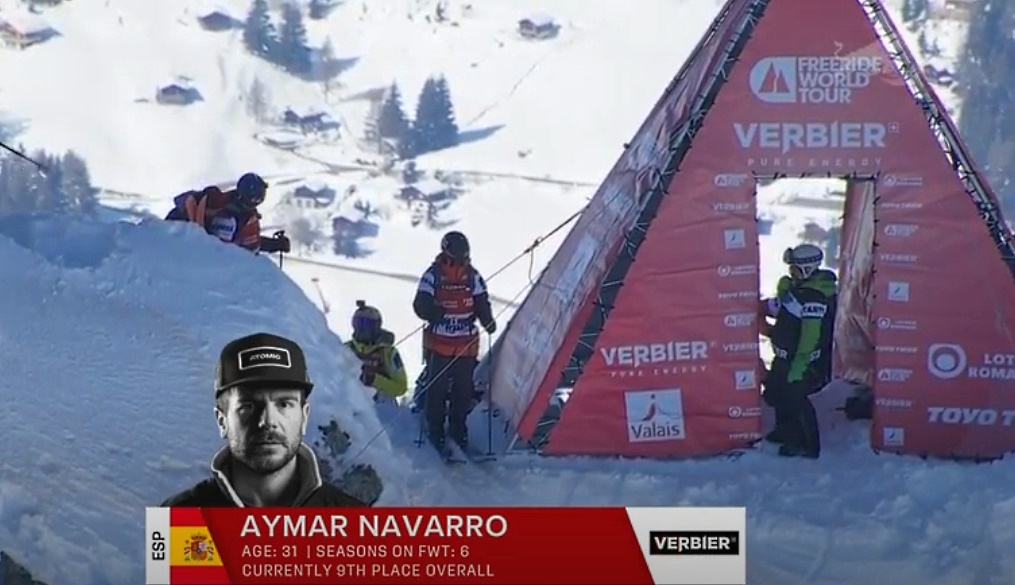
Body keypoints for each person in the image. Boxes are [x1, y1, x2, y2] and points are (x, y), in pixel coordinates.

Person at [161, 332, 367, 506]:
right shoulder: (175, 519)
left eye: (284, 404)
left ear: (304, 417)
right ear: (221, 421)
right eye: (248, 406)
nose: (267, 421)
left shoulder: (357, 524)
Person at [412, 231, 496, 457]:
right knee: (436, 390)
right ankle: (435, 427)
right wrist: (432, 312)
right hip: (438, 345)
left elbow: (481, 302)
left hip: (466, 345)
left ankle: (459, 428)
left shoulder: (473, 277)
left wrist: (487, 320)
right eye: (457, 258)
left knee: (463, 391)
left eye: (464, 258)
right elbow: (420, 304)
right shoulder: (433, 276)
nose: (461, 262)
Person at [759, 243, 838, 459]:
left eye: (794, 268)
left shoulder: (815, 297)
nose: (790, 272)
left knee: (795, 396)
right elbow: (779, 311)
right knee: (776, 392)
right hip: (784, 357)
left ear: (808, 268)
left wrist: (800, 366)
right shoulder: (794, 290)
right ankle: (785, 429)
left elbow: (810, 336)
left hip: (805, 363)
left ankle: (806, 443)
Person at [165, 172, 290, 254]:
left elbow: (249, 242)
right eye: (256, 198)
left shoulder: (231, 206)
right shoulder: (229, 216)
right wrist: (273, 245)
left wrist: (274, 245)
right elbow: (224, 250)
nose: (257, 202)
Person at [344, 301, 409, 404]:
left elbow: (401, 387)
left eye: (367, 325)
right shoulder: (346, 348)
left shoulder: (388, 352)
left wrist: (374, 380)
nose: (362, 329)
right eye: (359, 324)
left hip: (381, 408)